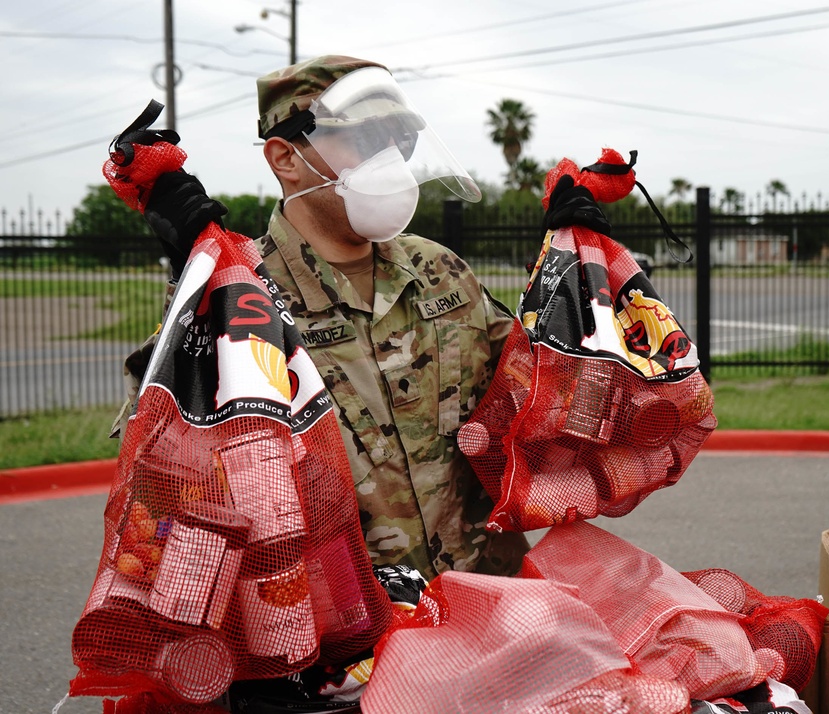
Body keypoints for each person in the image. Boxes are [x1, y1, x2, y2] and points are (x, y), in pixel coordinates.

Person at [114, 54, 529, 582]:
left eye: (397, 142)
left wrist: (573, 275)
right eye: (363, 140)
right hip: (345, 630)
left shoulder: (441, 270)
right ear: (286, 157)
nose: (390, 160)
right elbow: (166, 465)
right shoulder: (241, 295)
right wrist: (192, 288)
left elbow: (539, 392)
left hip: (486, 595)